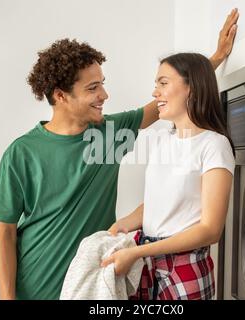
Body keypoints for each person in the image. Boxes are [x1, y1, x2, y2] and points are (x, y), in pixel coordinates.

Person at [0, 9, 239, 300]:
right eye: (93, 88)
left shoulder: (110, 134)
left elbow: (177, 92)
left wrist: (217, 57)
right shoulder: (21, 153)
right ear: (60, 96)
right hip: (35, 289)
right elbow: (5, 232)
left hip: (93, 287)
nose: (104, 95)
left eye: (102, 84)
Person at [101, 52, 236, 300]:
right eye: (156, 85)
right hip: (147, 262)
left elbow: (210, 230)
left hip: (185, 269)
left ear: (192, 88)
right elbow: (158, 202)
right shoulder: (161, 140)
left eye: (163, 83)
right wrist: (123, 224)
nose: (155, 93)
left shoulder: (214, 145)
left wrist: (138, 253)